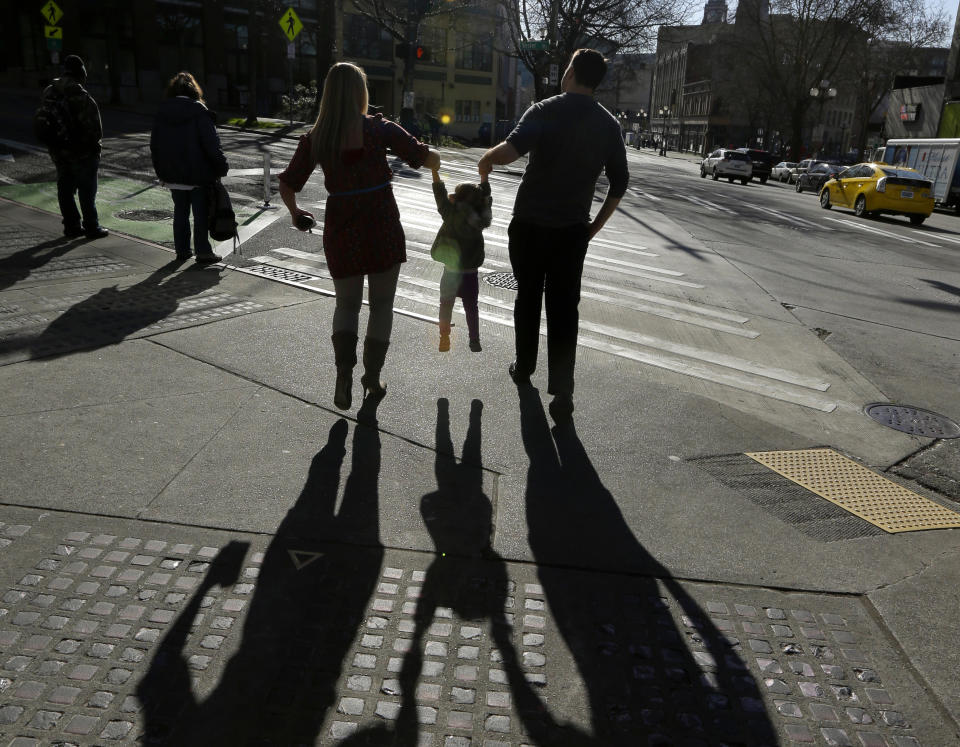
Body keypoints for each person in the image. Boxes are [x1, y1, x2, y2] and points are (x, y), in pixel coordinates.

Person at [478, 48, 628, 425]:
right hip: (572, 232)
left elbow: (509, 154)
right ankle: (563, 390)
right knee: (565, 309)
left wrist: (485, 160)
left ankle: (524, 366)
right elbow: (620, 182)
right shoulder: (608, 125)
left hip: (529, 224)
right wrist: (592, 228)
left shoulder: (544, 110)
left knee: (527, 297)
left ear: (572, 71)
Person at [279, 62, 441, 410]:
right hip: (381, 223)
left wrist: (296, 214)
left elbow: (288, 183)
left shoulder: (316, 137)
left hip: (342, 226)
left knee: (346, 305)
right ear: (360, 93)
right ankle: (372, 376)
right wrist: (435, 157)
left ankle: (343, 373)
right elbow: (422, 157)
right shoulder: (379, 129)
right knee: (381, 305)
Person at [150, 71, 229, 263]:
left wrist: (161, 170)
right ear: (194, 90)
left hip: (172, 173)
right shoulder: (199, 111)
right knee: (200, 214)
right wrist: (221, 167)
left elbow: (155, 145)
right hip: (197, 174)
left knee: (180, 212)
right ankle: (203, 251)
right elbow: (211, 144)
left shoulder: (162, 111)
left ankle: (182, 250)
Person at [40, 55, 108, 239]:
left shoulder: (49, 91)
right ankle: (91, 227)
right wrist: (95, 148)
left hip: (58, 149)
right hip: (82, 152)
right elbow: (95, 128)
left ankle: (71, 226)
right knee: (87, 190)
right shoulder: (79, 94)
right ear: (81, 73)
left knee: (65, 188)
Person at [429, 168, 492, 352]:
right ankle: (474, 339)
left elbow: (439, 195)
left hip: (450, 272)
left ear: (457, 198)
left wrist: (434, 170)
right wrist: (484, 176)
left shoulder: (451, 214)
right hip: (470, 275)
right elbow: (485, 196)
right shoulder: (480, 218)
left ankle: (444, 339)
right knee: (472, 307)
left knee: (446, 305)